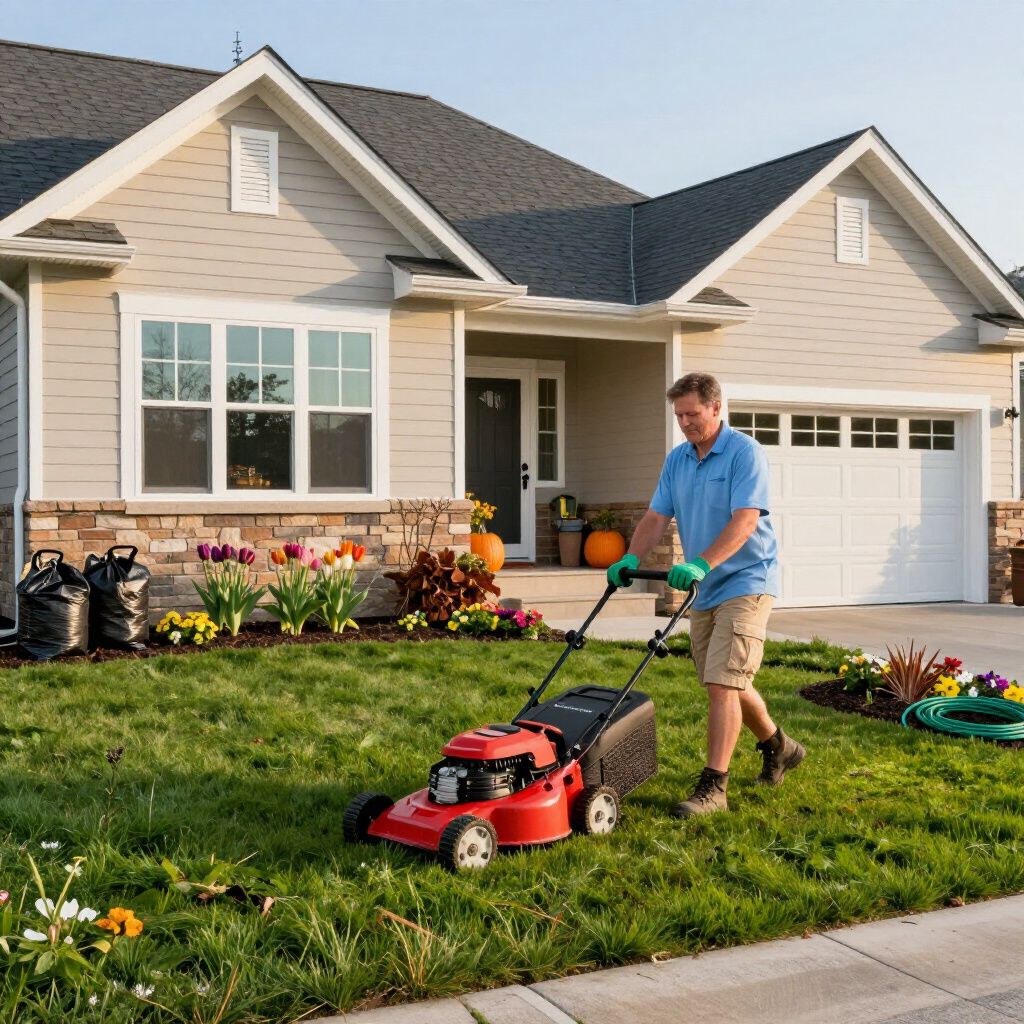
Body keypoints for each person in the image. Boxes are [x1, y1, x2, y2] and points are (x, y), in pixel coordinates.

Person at [606, 372, 804, 817]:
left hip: (748, 579)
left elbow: (745, 521)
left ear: (716, 408)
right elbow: (657, 517)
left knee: (722, 681)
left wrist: (700, 562)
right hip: (706, 586)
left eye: (692, 414)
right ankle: (779, 745)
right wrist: (628, 559)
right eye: (679, 415)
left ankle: (714, 788)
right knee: (727, 679)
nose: (685, 423)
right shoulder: (677, 460)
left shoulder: (744, 452)